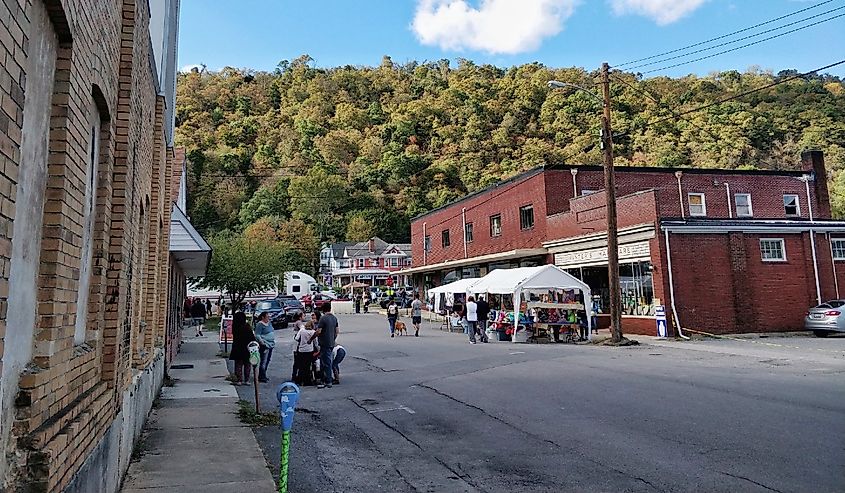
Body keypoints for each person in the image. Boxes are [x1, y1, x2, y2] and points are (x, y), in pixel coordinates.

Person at [309, 302, 338, 389]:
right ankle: (323, 379)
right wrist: (333, 339)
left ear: (323, 309)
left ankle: (328, 381)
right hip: (331, 343)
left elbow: (318, 331)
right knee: (324, 362)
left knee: (326, 362)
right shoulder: (334, 318)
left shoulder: (323, 318)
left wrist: (311, 339)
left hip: (324, 343)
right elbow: (337, 331)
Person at [228, 312, 255, 385]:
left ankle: (239, 379)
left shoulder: (235, 327)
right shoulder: (247, 327)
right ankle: (246, 380)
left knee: (238, 364)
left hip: (237, 347)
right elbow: (252, 337)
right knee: (247, 365)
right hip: (247, 348)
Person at [292, 312, 316, 385]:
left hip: (301, 350)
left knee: (301, 365)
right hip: (309, 350)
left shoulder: (302, 331)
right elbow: (316, 342)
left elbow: (296, 338)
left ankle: (298, 379)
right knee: (308, 366)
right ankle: (307, 380)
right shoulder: (312, 332)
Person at [254, 311, 275, 383]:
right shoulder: (260, 324)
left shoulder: (269, 323)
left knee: (268, 360)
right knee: (264, 360)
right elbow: (257, 334)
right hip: (265, 344)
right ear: (263, 317)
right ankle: (261, 376)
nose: (268, 318)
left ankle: (264, 374)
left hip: (271, 344)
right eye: (267, 317)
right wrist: (262, 342)